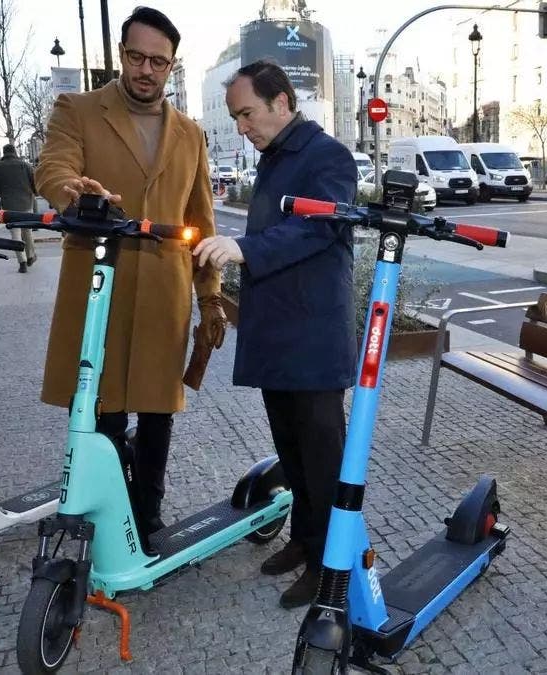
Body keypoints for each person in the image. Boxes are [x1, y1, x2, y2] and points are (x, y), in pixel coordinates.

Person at [34, 6, 224, 550]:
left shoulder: (190, 133)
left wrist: (210, 296)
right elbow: (53, 168)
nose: (146, 69)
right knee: (103, 407)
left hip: (164, 292)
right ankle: (105, 510)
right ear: (121, 55)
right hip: (99, 283)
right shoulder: (78, 108)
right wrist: (74, 190)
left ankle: (148, 514)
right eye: (137, 57)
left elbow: (202, 219)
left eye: (158, 62)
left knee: (159, 409)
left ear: (172, 66)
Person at [193, 60, 357, 608]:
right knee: (291, 448)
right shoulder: (275, 157)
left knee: (322, 457)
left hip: (311, 335)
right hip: (279, 334)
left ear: (282, 102)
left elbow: (319, 225)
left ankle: (331, 569)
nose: (241, 125)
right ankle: (305, 542)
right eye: (237, 115)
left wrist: (245, 249)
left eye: (247, 113)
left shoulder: (327, 156)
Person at [0, 144, 39, 273]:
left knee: (15, 234)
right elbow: (35, 183)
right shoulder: (25, 165)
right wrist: (34, 192)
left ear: (4, 153)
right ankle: (30, 256)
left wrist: (0, 194)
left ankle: (22, 262)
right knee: (27, 232)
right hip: (26, 203)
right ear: (15, 152)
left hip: (8, 205)